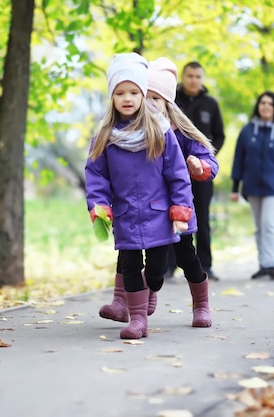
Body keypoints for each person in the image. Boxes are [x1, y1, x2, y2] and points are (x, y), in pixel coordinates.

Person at [98, 57, 219, 328]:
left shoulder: (178, 132)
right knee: (129, 251)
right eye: (146, 96)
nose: (148, 103)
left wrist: (200, 167)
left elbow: (207, 160)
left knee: (186, 257)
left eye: (155, 98)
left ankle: (201, 306)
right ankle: (125, 303)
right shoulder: (130, 131)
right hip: (144, 206)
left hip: (179, 205)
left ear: (167, 102)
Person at [85, 53, 194, 339]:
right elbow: (96, 174)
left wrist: (181, 207)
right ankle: (137, 320)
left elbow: (177, 173)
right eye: (120, 92)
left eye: (134, 92)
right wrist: (99, 205)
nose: (127, 98)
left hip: (158, 213)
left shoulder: (159, 131)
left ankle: (150, 292)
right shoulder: (105, 135)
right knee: (131, 266)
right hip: (126, 214)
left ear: (143, 93)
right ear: (112, 97)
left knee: (157, 269)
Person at [229, 91, 274, 280]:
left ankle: (271, 264)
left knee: (269, 224)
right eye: (262, 103)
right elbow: (239, 158)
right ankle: (263, 264)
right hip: (252, 186)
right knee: (259, 227)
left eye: (270, 103)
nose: (266, 106)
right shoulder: (247, 130)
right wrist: (235, 187)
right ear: (258, 106)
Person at [171, 61, 226, 281]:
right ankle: (168, 266)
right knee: (172, 214)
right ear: (183, 77)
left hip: (201, 173)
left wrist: (206, 160)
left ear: (202, 79)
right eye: (190, 76)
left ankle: (206, 265)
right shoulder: (172, 101)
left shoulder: (210, 104)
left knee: (201, 217)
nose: (194, 80)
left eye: (198, 77)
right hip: (173, 171)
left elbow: (220, 135)